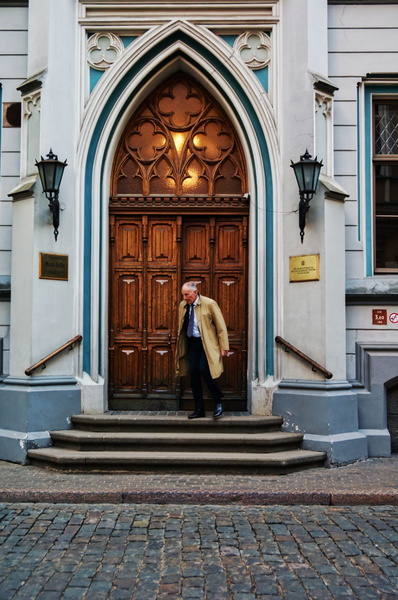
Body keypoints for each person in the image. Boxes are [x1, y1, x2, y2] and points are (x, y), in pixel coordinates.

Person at [175, 282, 229, 419]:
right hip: (192, 344)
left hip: (207, 344)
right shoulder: (183, 305)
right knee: (193, 374)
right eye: (183, 295)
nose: (185, 297)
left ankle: (218, 401)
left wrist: (224, 346)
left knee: (204, 370)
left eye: (187, 294)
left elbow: (220, 326)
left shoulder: (209, 303)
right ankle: (199, 409)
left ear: (195, 292)